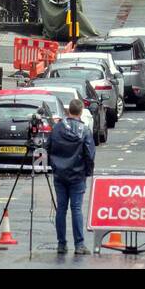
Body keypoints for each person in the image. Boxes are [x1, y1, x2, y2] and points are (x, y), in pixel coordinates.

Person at [46, 98, 95, 254]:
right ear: (80, 112)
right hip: (77, 174)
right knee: (76, 209)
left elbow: (48, 148)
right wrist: (87, 172)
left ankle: (62, 244)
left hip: (60, 174)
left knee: (61, 209)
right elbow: (90, 155)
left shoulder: (57, 128)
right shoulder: (85, 130)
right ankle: (79, 245)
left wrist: (53, 166)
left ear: (68, 111)